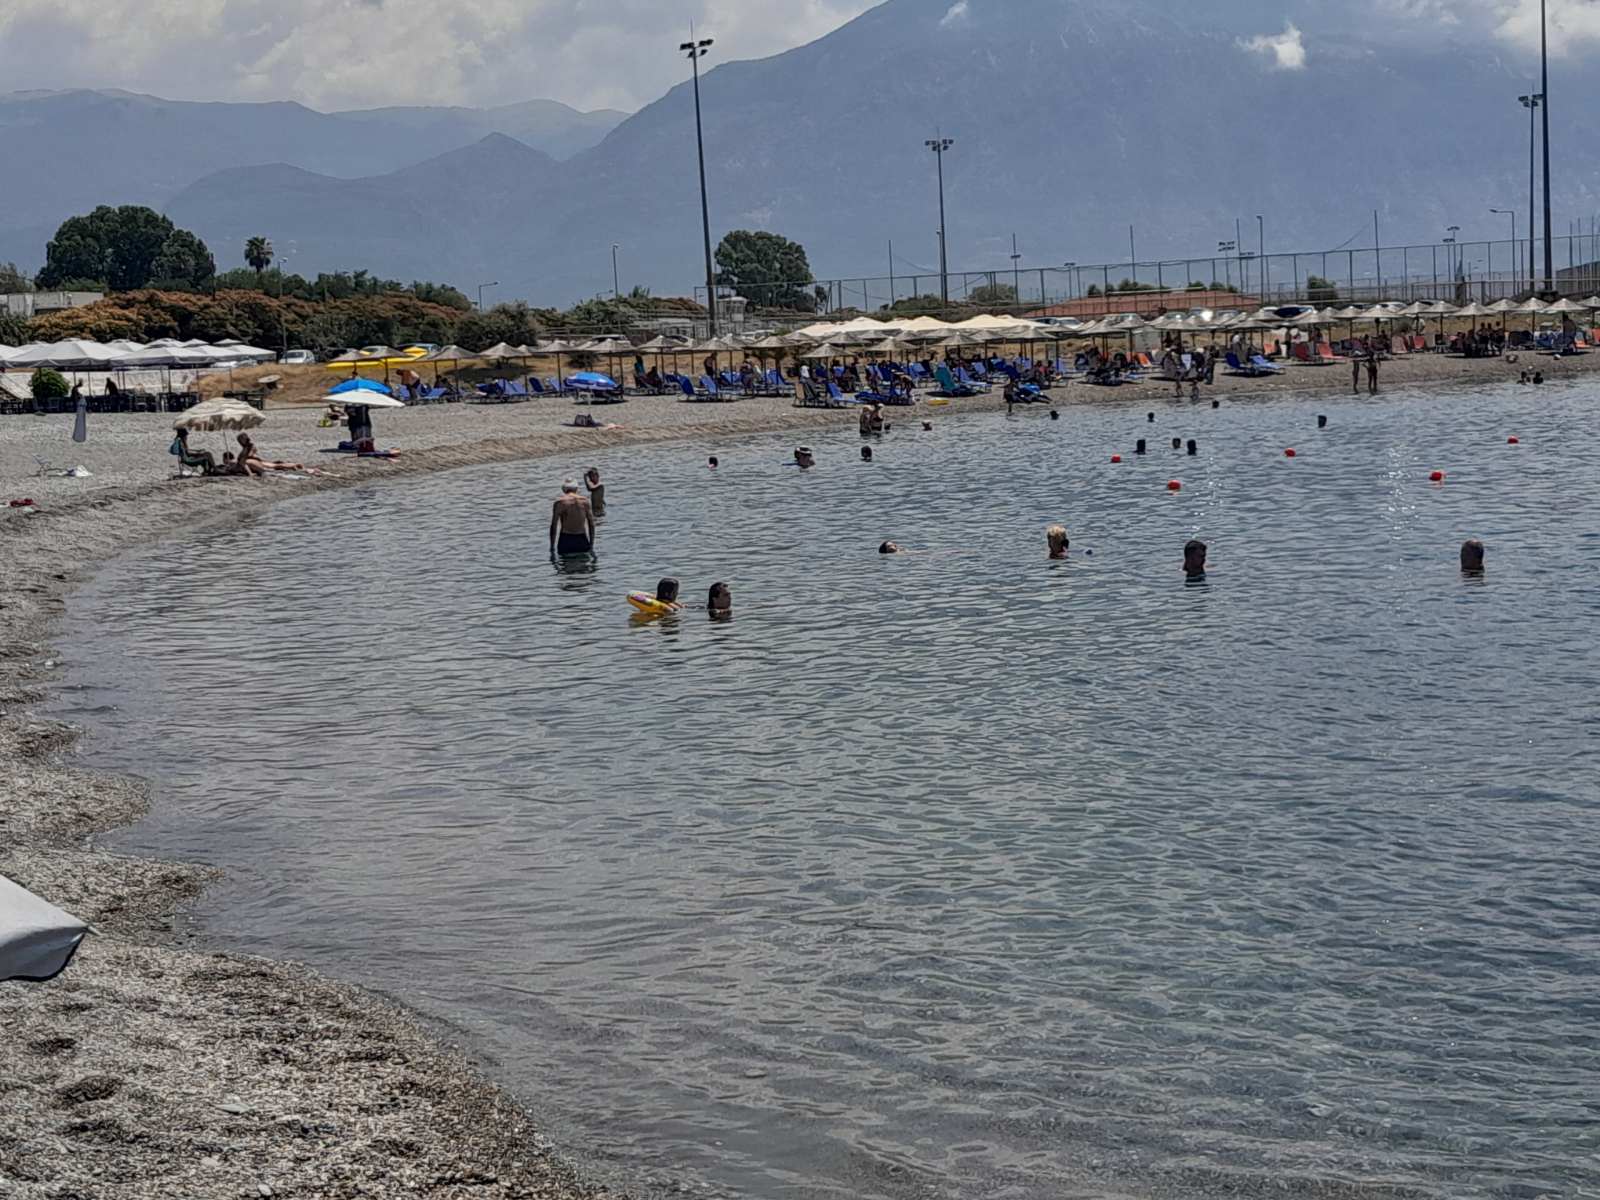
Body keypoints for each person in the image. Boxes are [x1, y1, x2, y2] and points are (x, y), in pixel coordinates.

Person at [550, 480, 596, 557]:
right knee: (583, 563)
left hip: (566, 540)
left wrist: (552, 547)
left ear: (564, 489)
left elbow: (554, 525)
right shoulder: (585, 501)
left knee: (565, 563)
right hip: (581, 539)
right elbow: (591, 524)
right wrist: (591, 544)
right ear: (576, 489)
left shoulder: (559, 502)